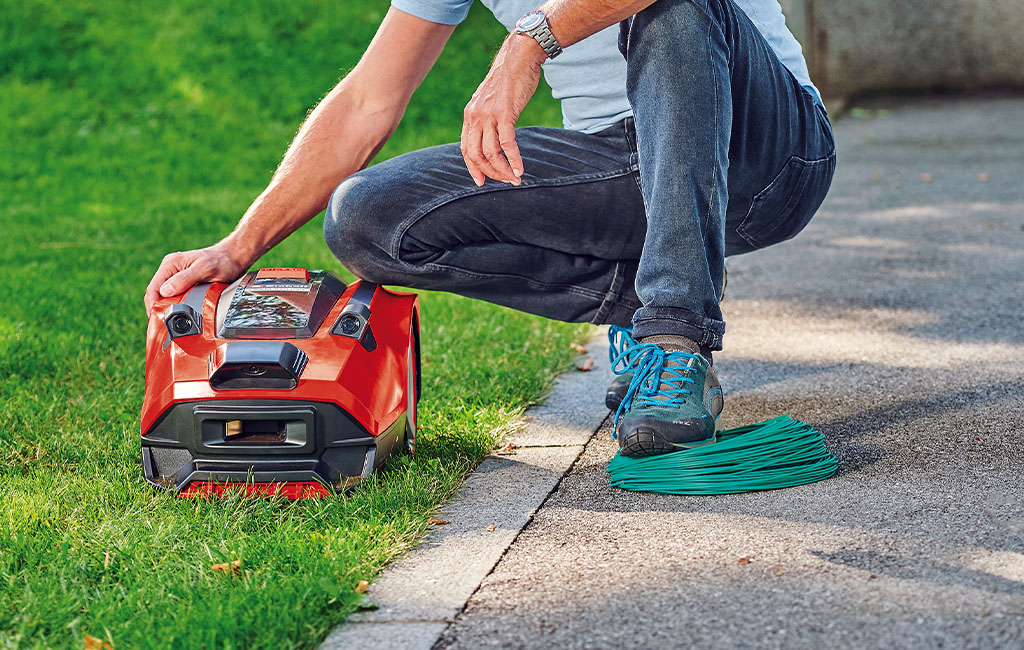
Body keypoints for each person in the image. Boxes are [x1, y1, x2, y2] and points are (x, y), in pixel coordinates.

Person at [144, 0, 835, 458]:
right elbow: (366, 100)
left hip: (771, 158)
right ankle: (640, 301)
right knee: (370, 217)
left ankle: (678, 339)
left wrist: (526, 44)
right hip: (628, 169)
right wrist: (239, 244)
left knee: (675, 6)